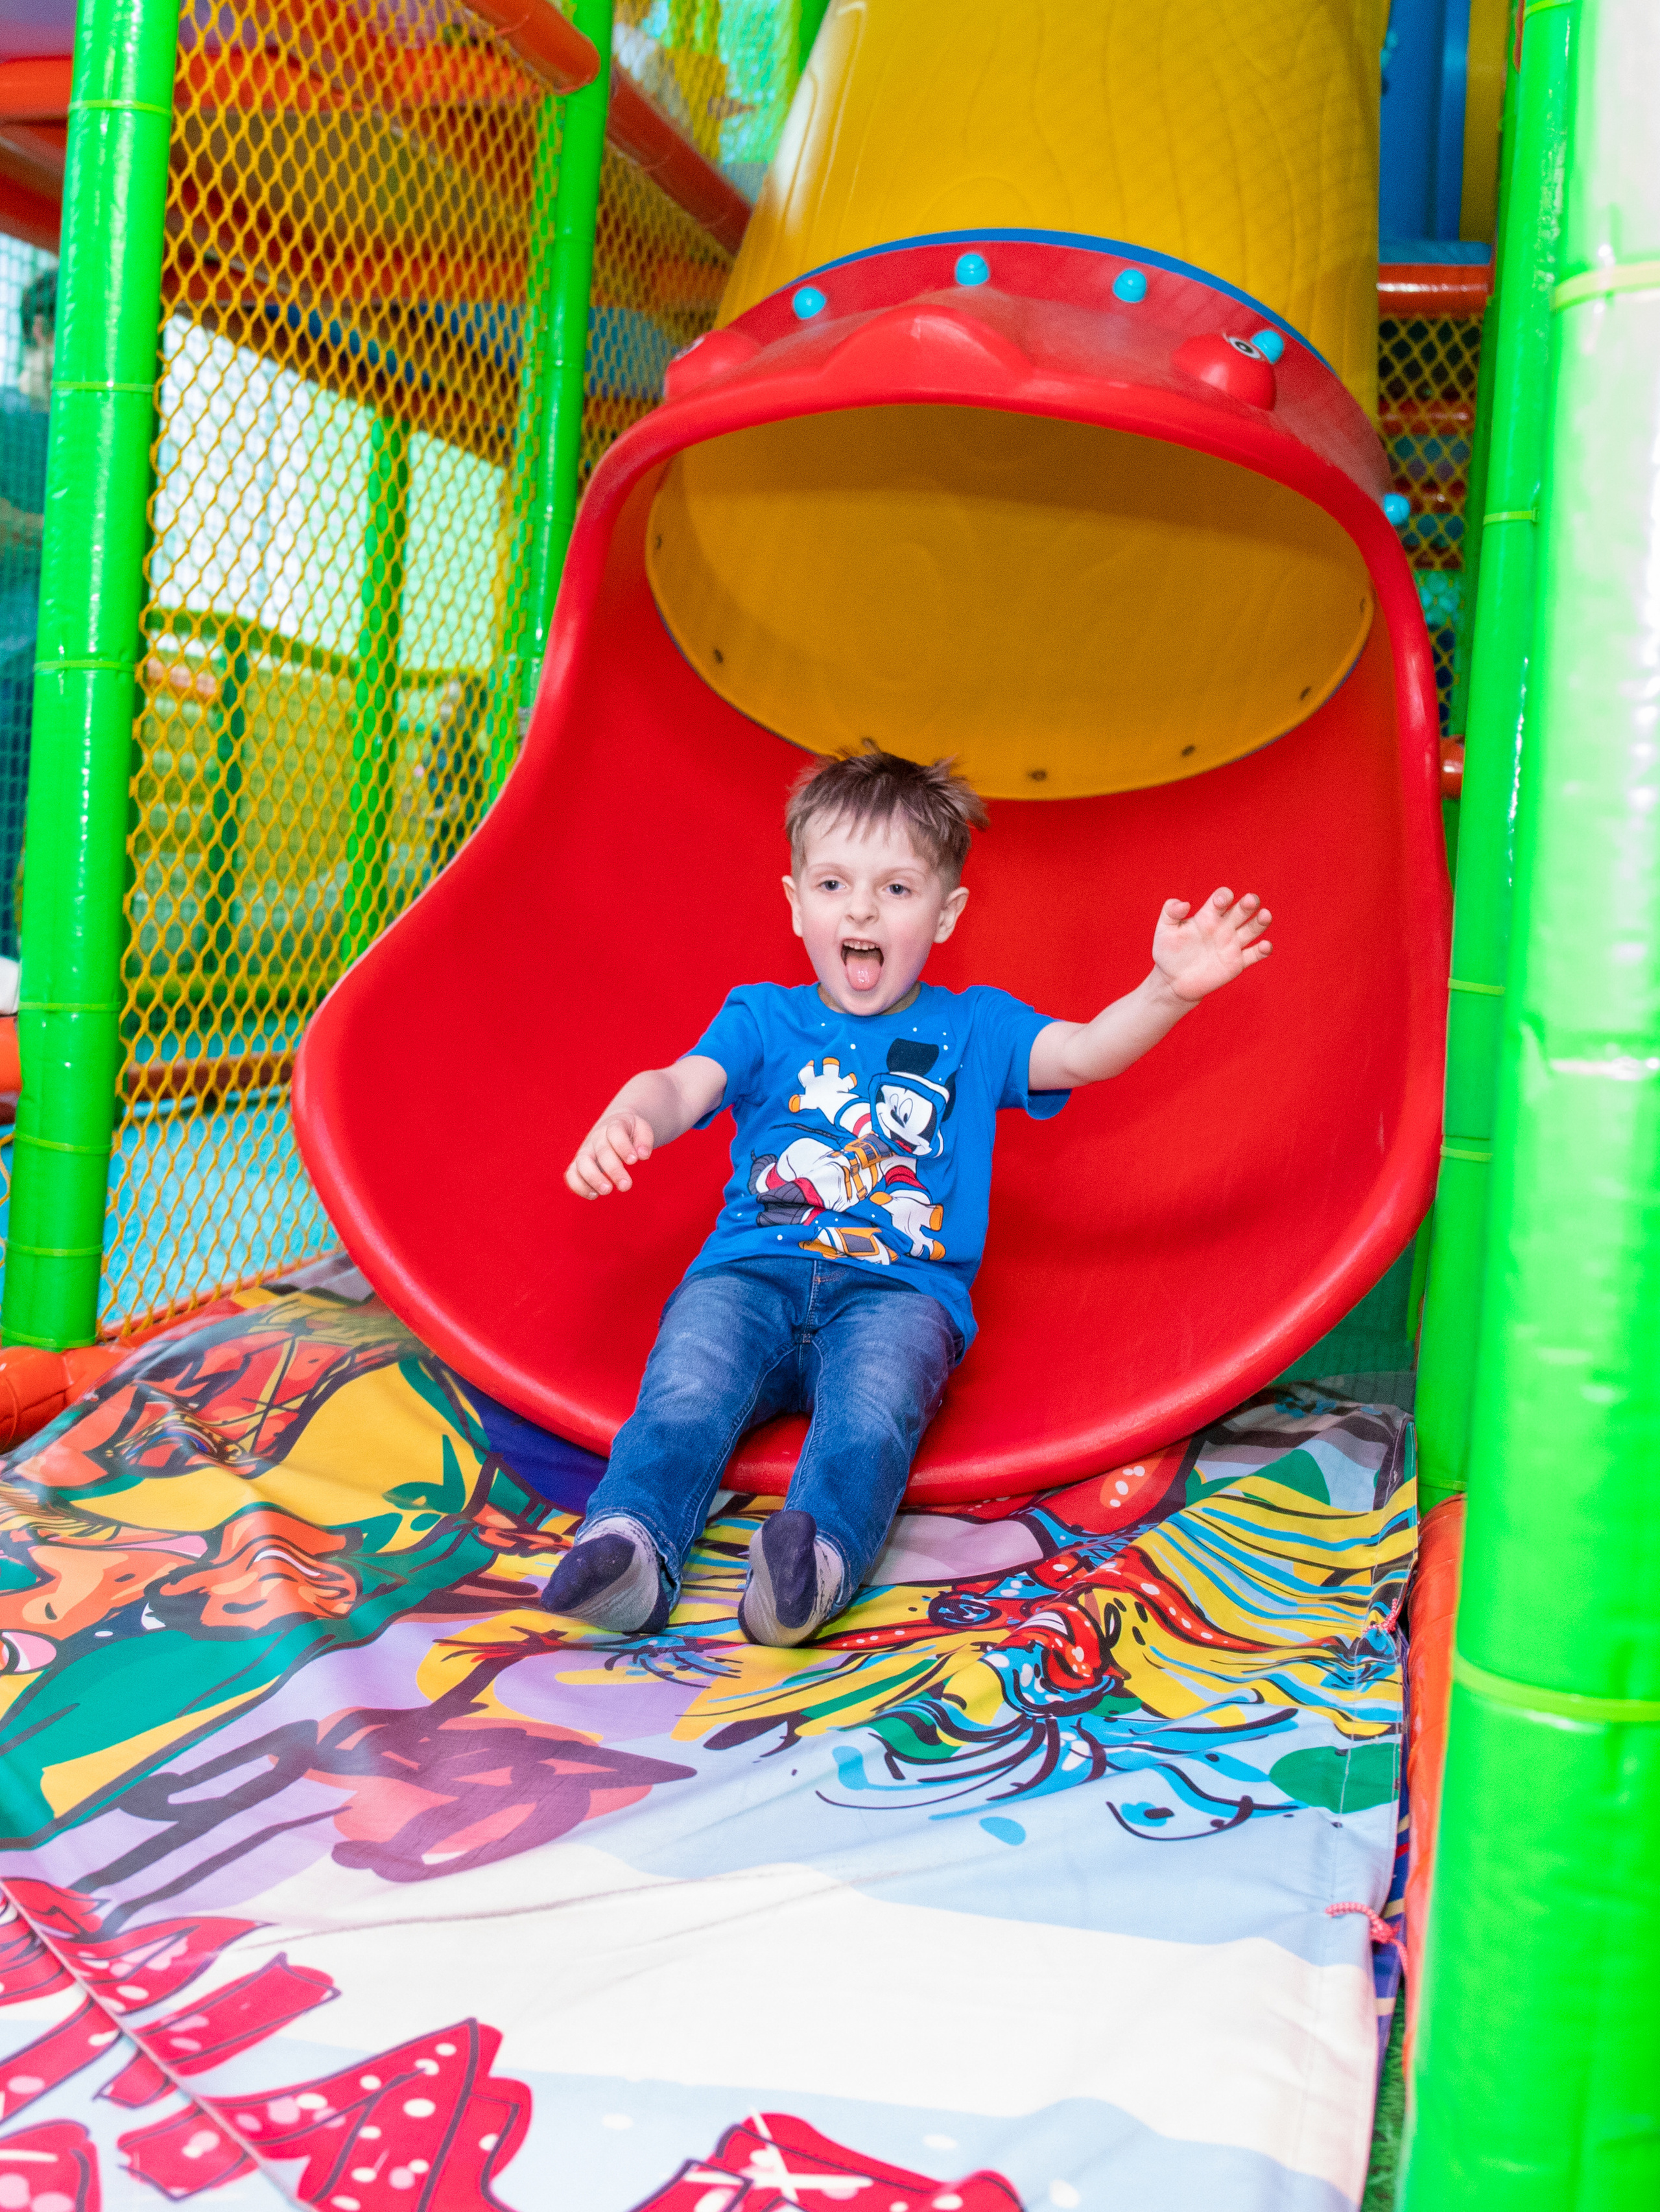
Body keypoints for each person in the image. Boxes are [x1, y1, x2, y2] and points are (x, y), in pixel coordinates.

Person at [549, 744, 1273, 1647]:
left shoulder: (976, 1026)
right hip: (749, 1272)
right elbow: (680, 1084)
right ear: (796, 903)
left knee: (873, 1413)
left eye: (895, 889)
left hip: (897, 1293)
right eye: (834, 885)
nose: (861, 908)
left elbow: (1085, 1053)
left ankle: (809, 1568)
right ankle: (631, 1545)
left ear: (945, 912)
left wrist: (1166, 990)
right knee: (687, 1385)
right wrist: (632, 1116)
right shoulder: (762, 1016)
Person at [0, 266, 53, 963]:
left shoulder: (92, 433)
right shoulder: (7, 416)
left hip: (63, 678)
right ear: (42, 329)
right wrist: (63, 534)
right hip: (8, 667)